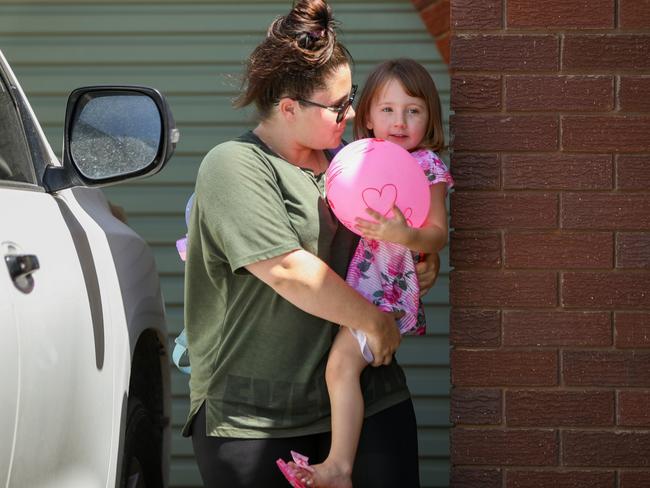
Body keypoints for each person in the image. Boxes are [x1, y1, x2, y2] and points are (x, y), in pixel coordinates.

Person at [181, 2, 438, 487]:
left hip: (369, 398)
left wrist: (422, 258)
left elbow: (402, 228)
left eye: (353, 97)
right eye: (338, 105)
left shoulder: (355, 160)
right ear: (288, 108)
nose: (354, 112)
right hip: (257, 419)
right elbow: (289, 271)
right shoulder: (234, 166)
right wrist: (374, 319)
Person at [292, 58, 454, 488]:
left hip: (388, 291)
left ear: (429, 118)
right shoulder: (356, 159)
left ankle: (339, 466)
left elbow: (437, 235)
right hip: (362, 286)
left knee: (341, 367)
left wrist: (408, 235)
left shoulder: (428, 167)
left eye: (413, 110)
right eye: (387, 109)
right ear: (366, 116)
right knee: (340, 365)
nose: (400, 121)